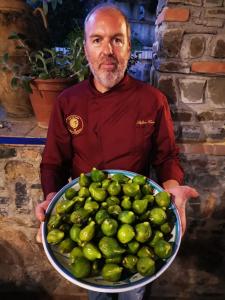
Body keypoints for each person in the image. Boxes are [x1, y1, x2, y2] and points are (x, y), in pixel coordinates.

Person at [35, 4, 199, 300]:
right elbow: (53, 163)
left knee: (134, 293)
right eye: (97, 40)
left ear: (128, 48)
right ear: (85, 48)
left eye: (117, 39)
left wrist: (173, 189)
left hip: (136, 221)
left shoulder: (153, 100)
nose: (107, 50)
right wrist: (51, 198)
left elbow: (166, 157)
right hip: (86, 219)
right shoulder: (66, 102)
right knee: (97, 292)